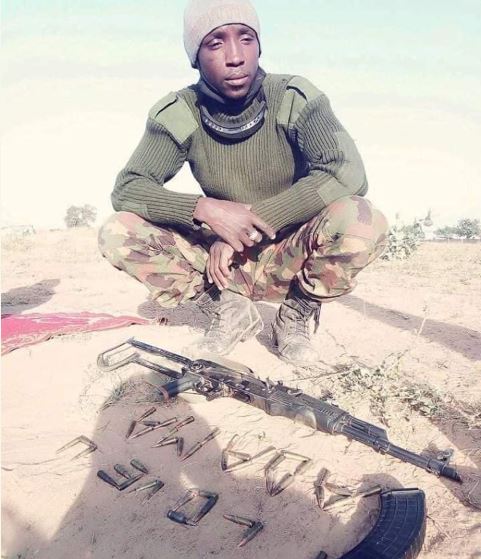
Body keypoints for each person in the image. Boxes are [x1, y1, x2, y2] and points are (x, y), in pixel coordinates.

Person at [98, 0, 388, 366]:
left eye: (246, 38)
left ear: (259, 46)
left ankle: (295, 317)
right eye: (215, 42)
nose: (235, 57)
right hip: (222, 269)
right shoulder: (179, 112)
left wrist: (247, 225)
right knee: (118, 231)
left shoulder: (293, 98)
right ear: (195, 56)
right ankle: (228, 310)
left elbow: (347, 171)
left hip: (289, 255)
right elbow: (128, 188)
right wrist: (206, 210)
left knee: (362, 219)